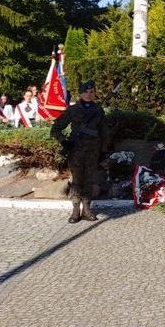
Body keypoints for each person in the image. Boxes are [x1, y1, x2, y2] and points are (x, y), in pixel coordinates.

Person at [50, 80, 110, 223]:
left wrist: (103, 151)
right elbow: (55, 129)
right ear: (80, 94)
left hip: (92, 151)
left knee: (89, 179)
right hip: (76, 150)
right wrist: (64, 141)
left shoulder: (98, 110)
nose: (89, 95)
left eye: (92, 92)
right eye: (86, 92)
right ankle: (76, 210)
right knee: (77, 181)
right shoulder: (73, 110)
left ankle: (87, 210)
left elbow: (104, 132)